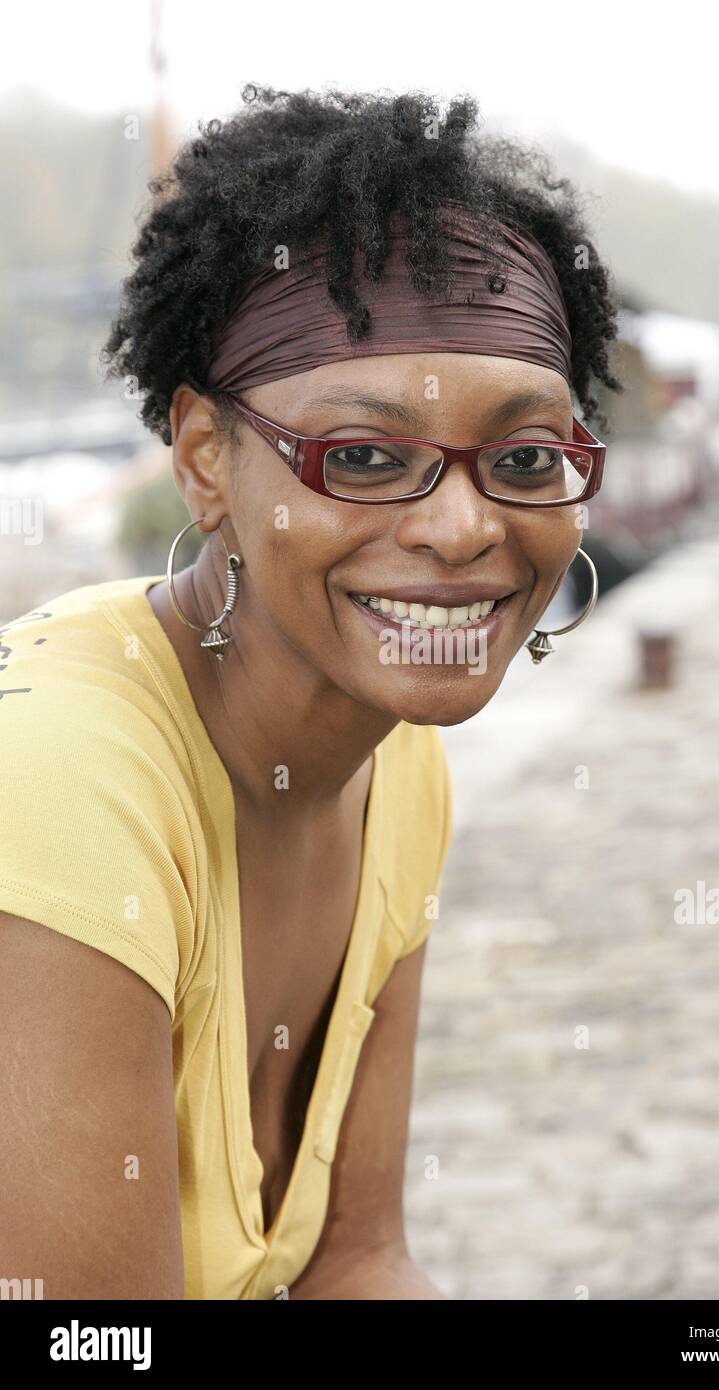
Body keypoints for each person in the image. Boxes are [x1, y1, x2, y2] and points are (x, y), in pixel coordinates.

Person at [0, 85, 621, 1300]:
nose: (459, 525)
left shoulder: (395, 769)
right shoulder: (59, 782)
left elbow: (354, 1260)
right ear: (201, 462)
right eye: (364, 457)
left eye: (525, 456)